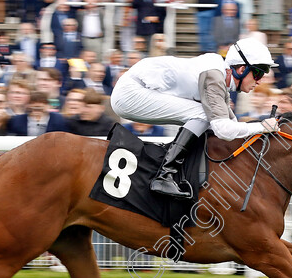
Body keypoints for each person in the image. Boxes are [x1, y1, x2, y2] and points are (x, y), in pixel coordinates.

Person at [111, 37, 279, 199]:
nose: (260, 81)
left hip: (137, 89)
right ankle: (164, 175)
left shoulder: (219, 72)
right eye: (258, 73)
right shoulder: (214, 77)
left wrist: (260, 129)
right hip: (130, 93)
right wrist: (262, 126)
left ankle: (178, 170)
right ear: (242, 69)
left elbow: (232, 124)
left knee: (207, 117)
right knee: (202, 114)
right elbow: (224, 130)